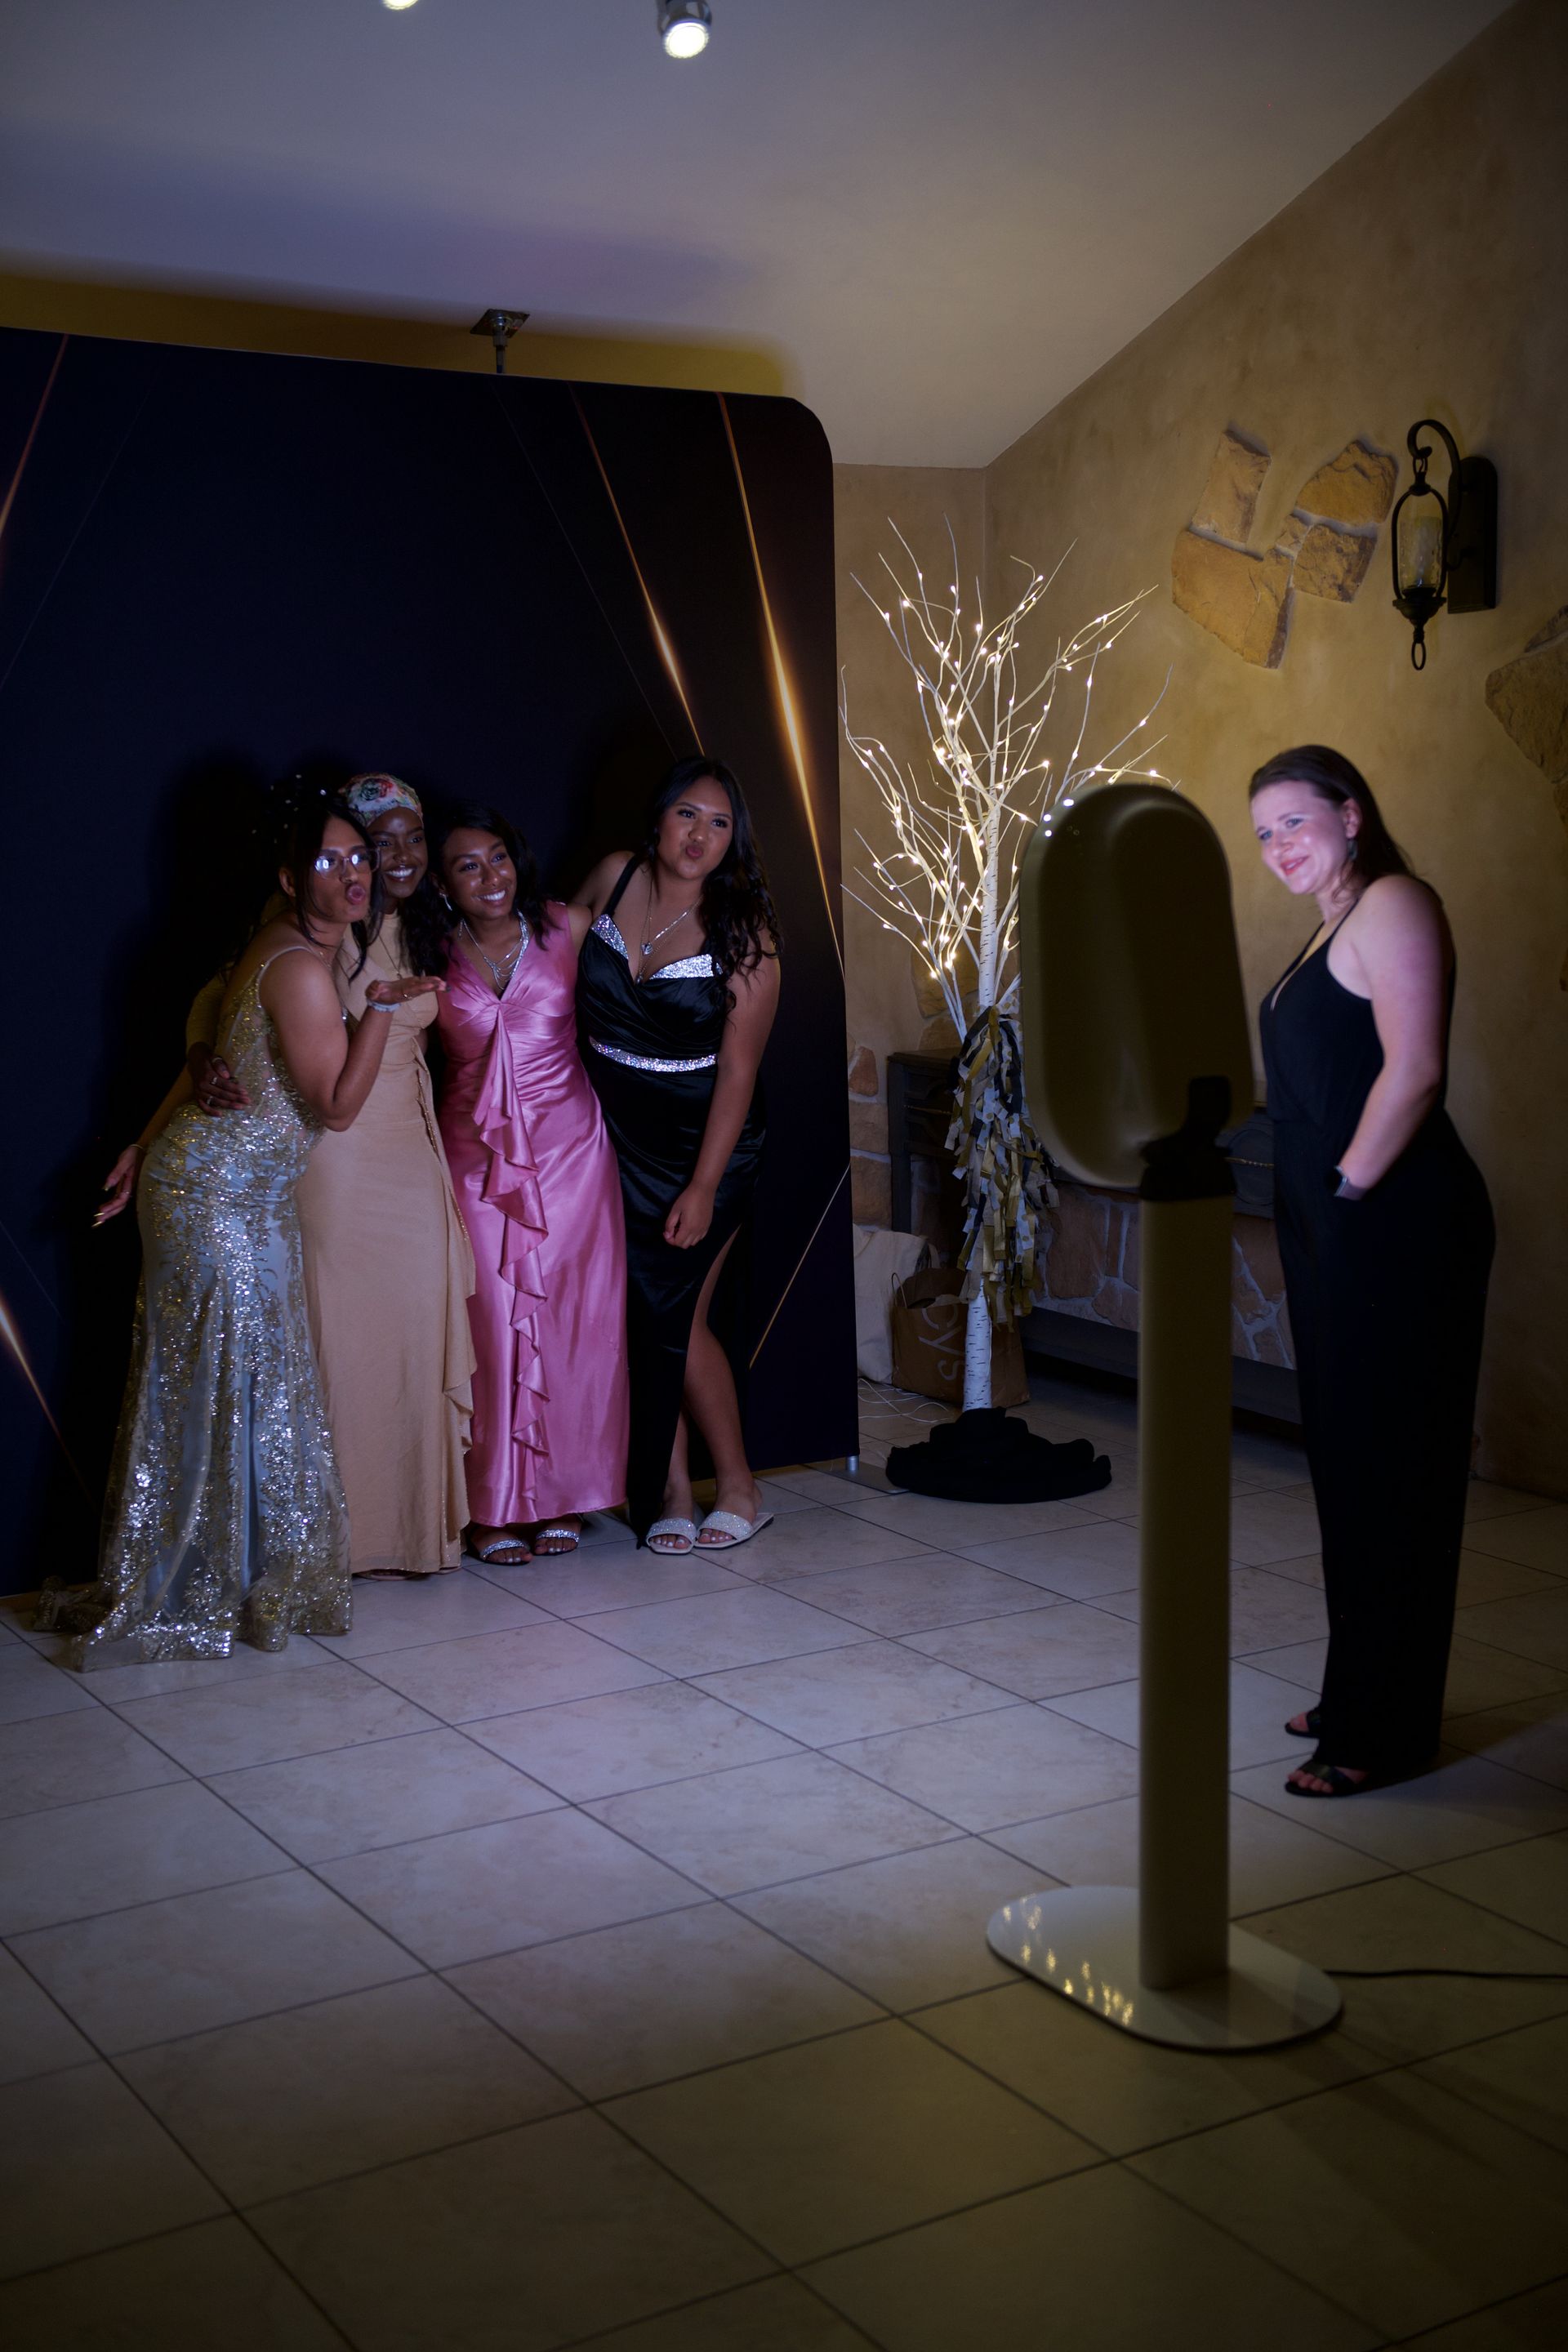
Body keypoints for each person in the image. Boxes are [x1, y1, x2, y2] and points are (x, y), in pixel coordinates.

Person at [48, 790, 440, 1667]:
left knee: (244, 1385)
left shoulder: (289, 936)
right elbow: (337, 1107)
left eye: (359, 859)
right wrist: (379, 1009)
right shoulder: (303, 965)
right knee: (222, 1385)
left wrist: (143, 1142)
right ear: (289, 875)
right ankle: (195, 1582)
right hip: (216, 1197)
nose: (351, 875)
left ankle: (235, 1574)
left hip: (227, 1188)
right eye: (330, 861)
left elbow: (214, 1034)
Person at [1251, 745, 1493, 1796]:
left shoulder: (1394, 902)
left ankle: (1381, 1729)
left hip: (1395, 1223)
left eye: (1293, 824)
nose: (1277, 849)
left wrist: (1345, 1193)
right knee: (1350, 1471)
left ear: (1350, 814)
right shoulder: (1329, 927)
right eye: (1261, 834)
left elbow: (1417, 1069)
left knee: (1394, 1476)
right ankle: (1360, 1684)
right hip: (1337, 1223)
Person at [408, 803, 628, 1563]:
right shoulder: (426, 948)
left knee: (572, 1325)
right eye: (468, 865)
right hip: (475, 1163)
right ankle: (494, 1507)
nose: (489, 875)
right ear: (442, 883)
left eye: (498, 857)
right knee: (493, 1328)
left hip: (572, 1158)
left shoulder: (564, 928)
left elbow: (630, 876)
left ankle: (564, 1495)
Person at [574, 758, 780, 1554]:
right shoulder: (611, 878)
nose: (699, 835)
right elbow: (542, 964)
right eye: (688, 814)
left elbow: (739, 1072)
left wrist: (701, 1185)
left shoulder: (747, 931)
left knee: (680, 1318)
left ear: (735, 841)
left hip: (707, 1147)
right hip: (609, 1135)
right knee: (635, 1317)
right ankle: (667, 1489)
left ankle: (738, 1485)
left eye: (719, 823)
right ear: (658, 818)